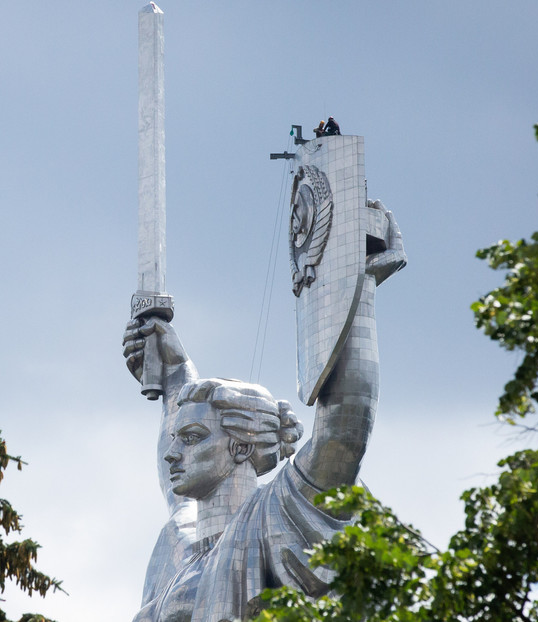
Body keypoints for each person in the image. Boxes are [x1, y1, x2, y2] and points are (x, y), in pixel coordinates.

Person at [123, 203, 406, 622]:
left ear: (240, 446)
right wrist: (173, 375)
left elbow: (343, 431)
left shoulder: (276, 513)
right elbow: (171, 476)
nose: (172, 455)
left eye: (192, 438)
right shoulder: (177, 545)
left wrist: (356, 282)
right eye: (178, 438)